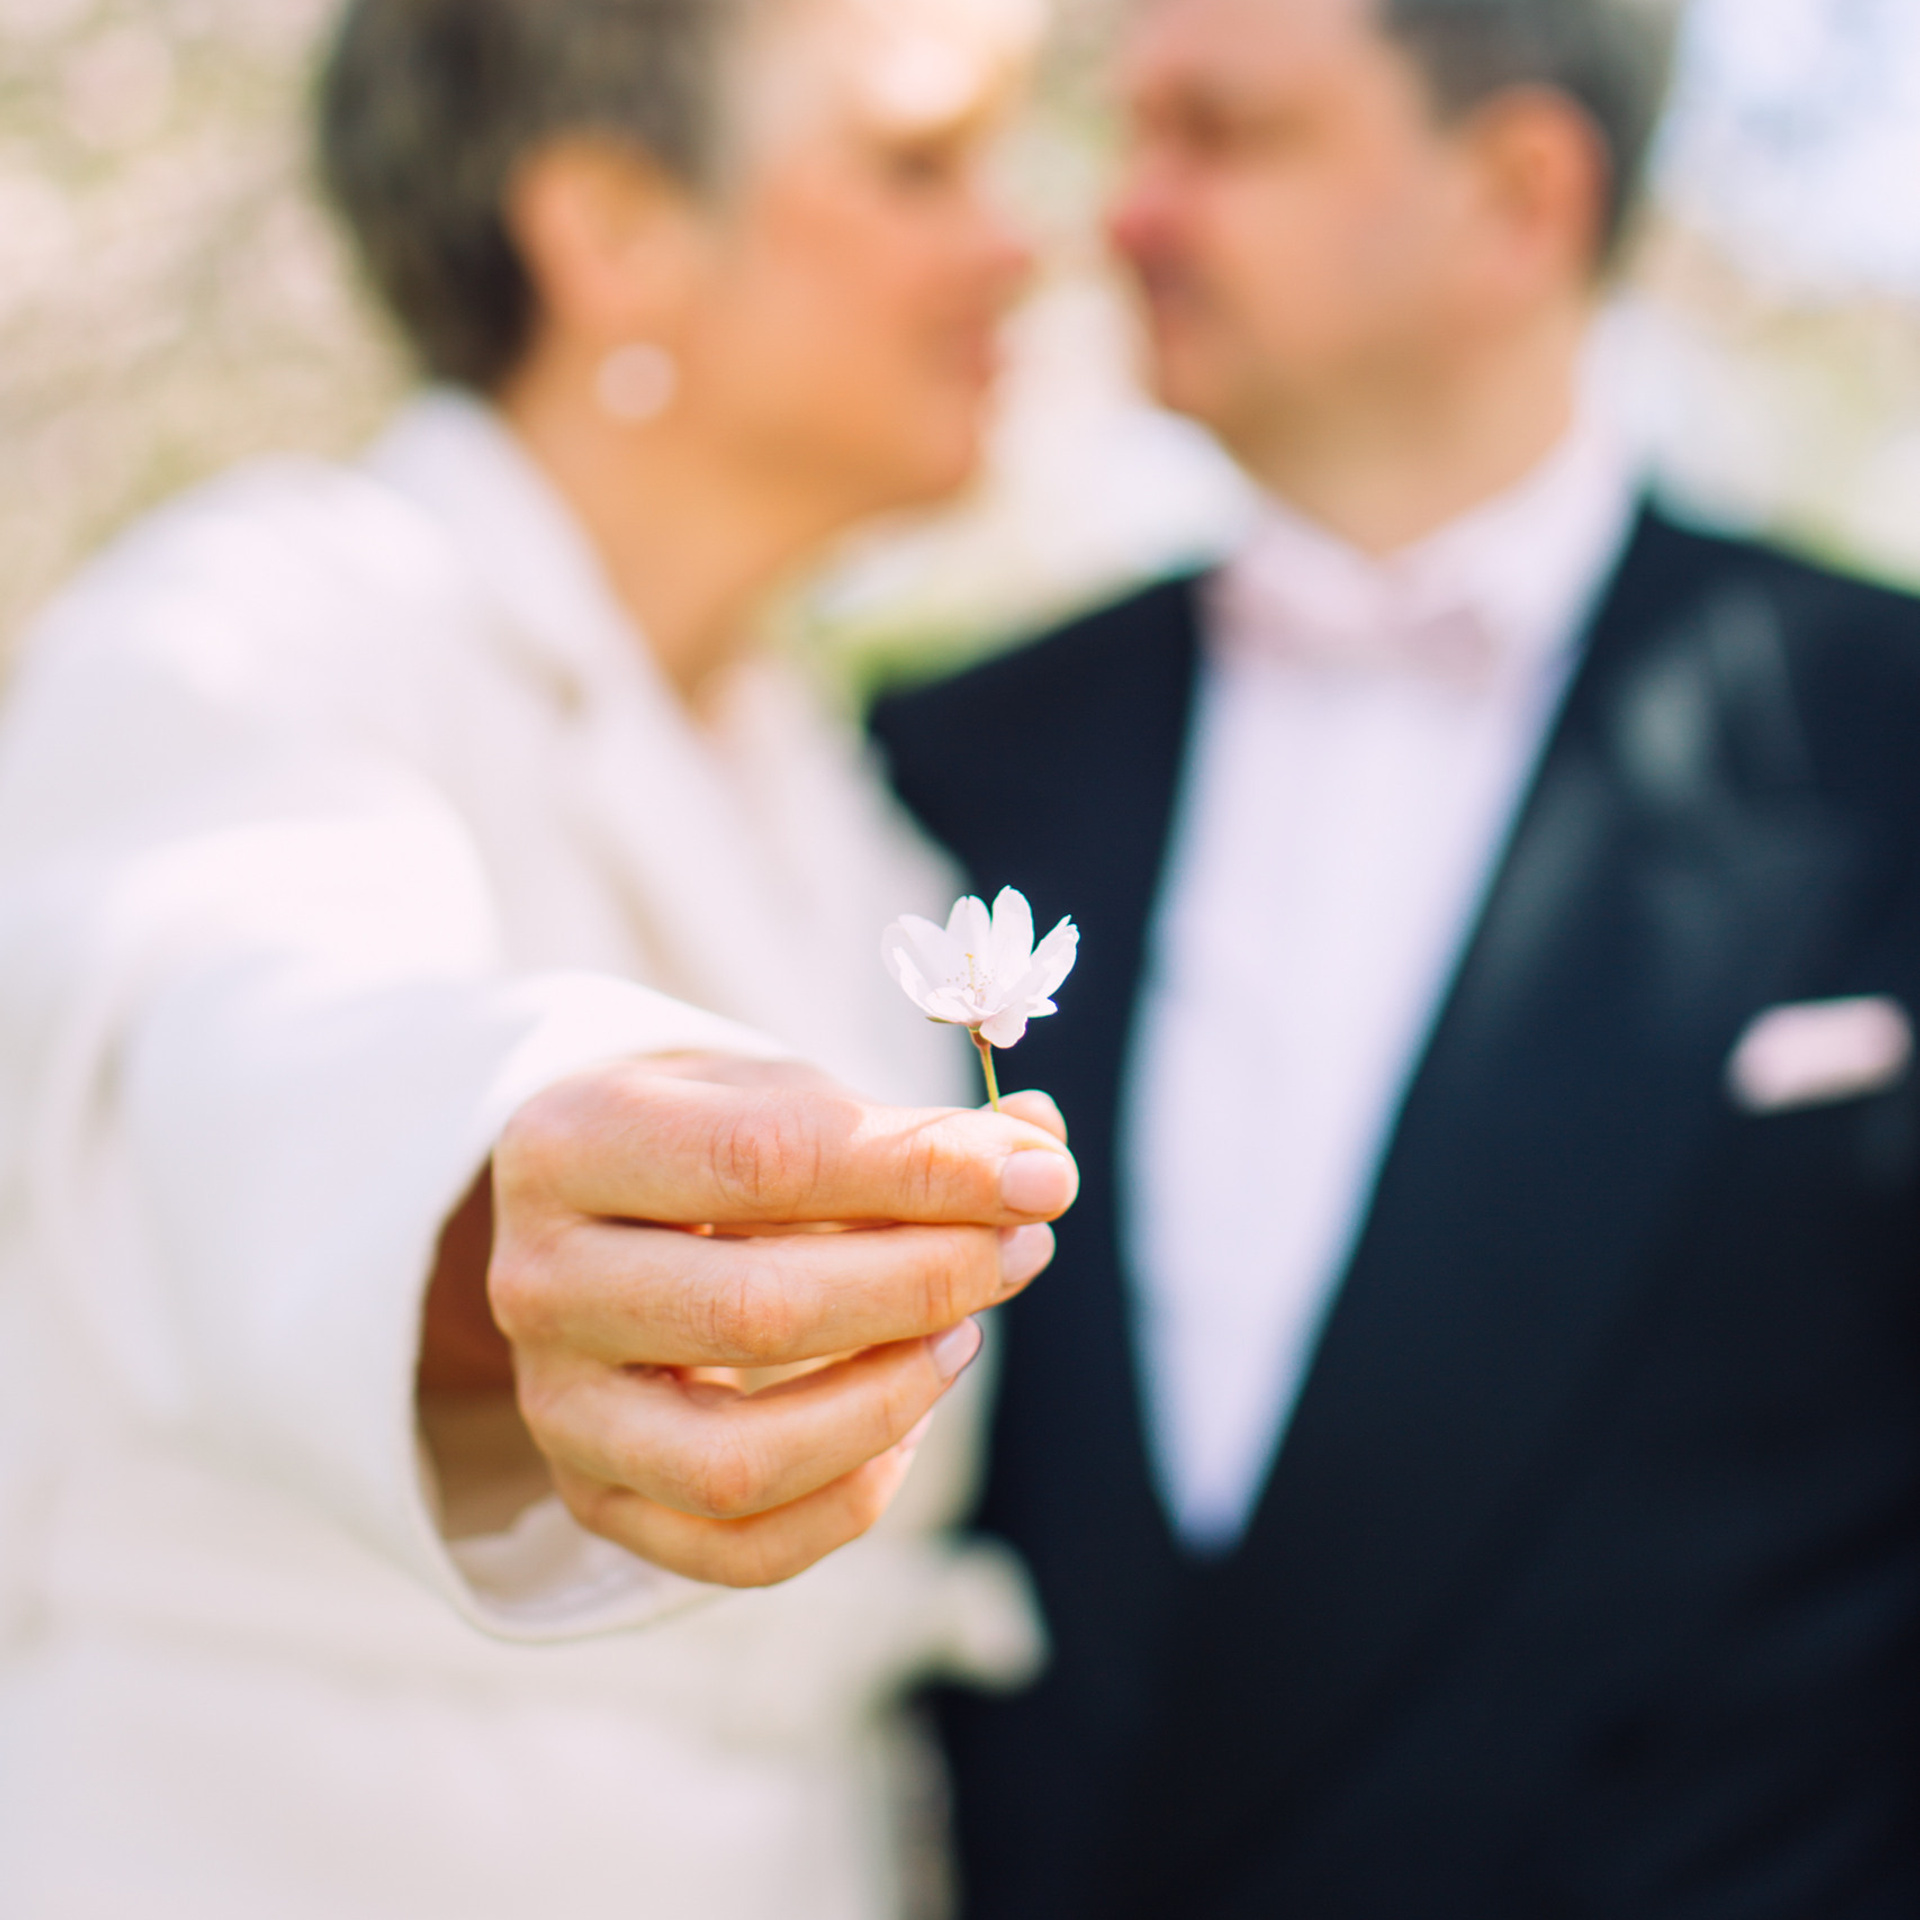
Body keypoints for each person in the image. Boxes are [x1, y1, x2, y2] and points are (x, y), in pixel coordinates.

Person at [0, 0, 1080, 1914]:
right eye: (919, 163)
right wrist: (503, 1200)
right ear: (611, 227)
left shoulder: (839, 807)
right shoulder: (263, 619)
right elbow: (238, 1041)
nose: (1019, 245)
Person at [875, 0, 1920, 1912]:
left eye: (1225, 136)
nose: (1127, 215)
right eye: (1137, 135)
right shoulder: (945, 763)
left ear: (1519, 196)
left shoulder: (1887, 742)